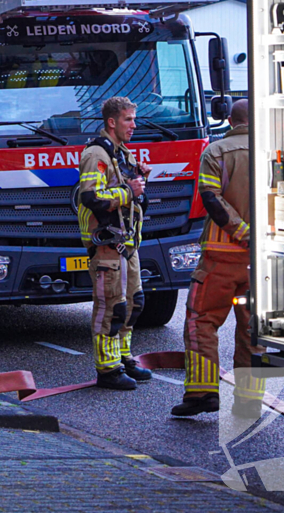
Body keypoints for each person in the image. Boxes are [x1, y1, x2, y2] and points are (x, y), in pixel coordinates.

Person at [172, 99, 262, 417]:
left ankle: (202, 393)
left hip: (221, 258)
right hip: (260, 261)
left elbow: (211, 198)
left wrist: (242, 232)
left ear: (230, 120)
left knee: (202, 321)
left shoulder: (216, 151)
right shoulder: (274, 151)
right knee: (253, 328)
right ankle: (249, 400)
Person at [77, 96, 153, 391]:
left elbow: (132, 196)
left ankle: (123, 358)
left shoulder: (122, 153)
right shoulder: (96, 153)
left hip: (127, 244)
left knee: (134, 303)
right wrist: (129, 190)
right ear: (111, 122)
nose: (134, 125)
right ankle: (108, 370)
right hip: (106, 245)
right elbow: (91, 197)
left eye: (134, 119)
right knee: (111, 307)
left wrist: (139, 180)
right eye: (128, 119)